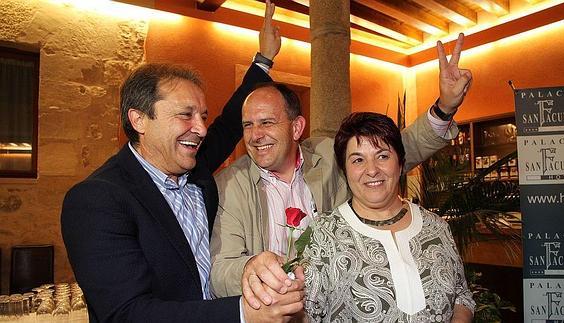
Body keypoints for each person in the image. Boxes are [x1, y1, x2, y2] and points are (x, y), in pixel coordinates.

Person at [60, 2, 305, 321]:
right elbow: (127, 313)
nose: (201, 129)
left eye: (202, 116)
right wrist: (241, 313)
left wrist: (264, 58)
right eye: (185, 115)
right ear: (140, 120)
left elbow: (230, 121)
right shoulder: (97, 200)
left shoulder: (196, 169)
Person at [210, 32, 473, 310]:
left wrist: (445, 108)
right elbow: (220, 270)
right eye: (248, 125)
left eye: (266, 122)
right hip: (274, 312)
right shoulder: (229, 185)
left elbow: (391, 152)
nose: (255, 135)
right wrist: (253, 269)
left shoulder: (327, 156)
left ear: (296, 127)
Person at [304, 112, 475, 322]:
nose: (372, 170)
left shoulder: (436, 226)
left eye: (382, 156)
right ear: (345, 171)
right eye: (358, 160)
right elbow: (306, 315)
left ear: (400, 163)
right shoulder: (323, 234)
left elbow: (462, 295)